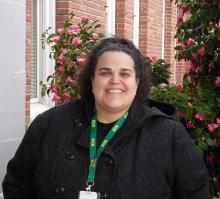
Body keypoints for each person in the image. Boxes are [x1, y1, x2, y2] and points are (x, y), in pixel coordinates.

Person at [2, 37, 210, 199]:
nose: (115, 81)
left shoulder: (169, 136)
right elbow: (16, 185)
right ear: (92, 79)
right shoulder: (49, 125)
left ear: (137, 83)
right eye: (105, 72)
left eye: (125, 74)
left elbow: (196, 193)